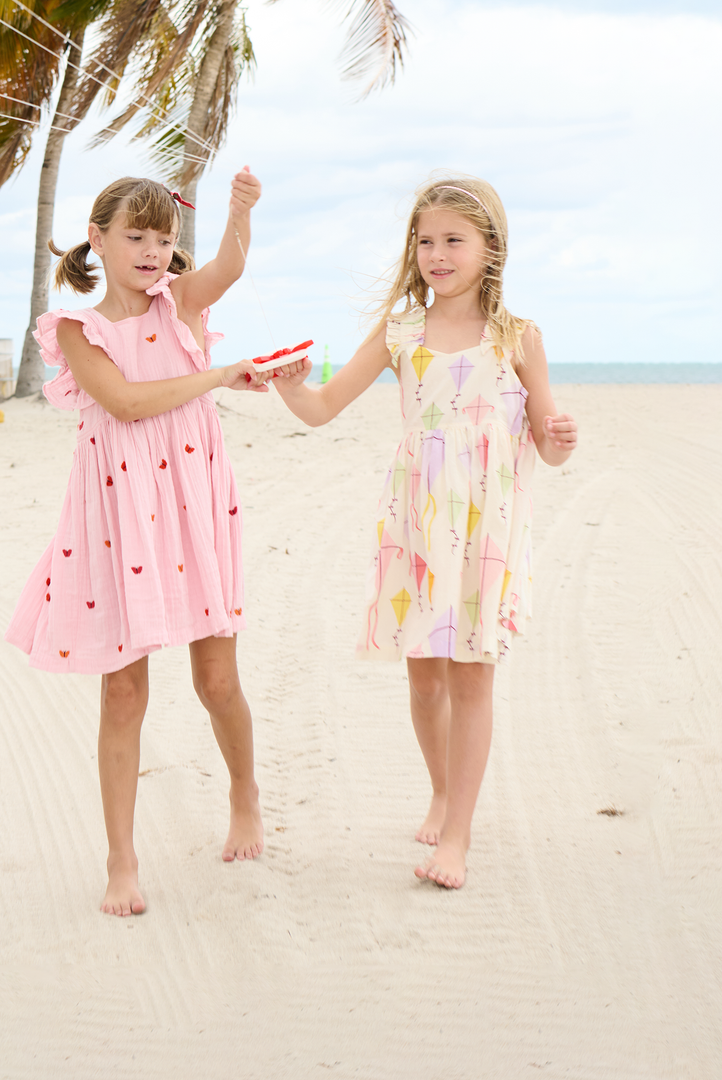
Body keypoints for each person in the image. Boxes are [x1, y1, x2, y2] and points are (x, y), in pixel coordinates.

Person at [271, 176, 578, 889]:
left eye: (453, 240)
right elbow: (322, 407)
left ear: (490, 247)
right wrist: (289, 385)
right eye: (426, 239)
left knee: (472, 678)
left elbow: (550, 446)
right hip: (417, 524)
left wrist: (562, 438)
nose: (436, 254)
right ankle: (441, 788)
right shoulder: (399, 332)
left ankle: (459, 838)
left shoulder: (517, 337)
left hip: (485, 528)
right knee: (424, 681)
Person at [5, 170, 273, 916]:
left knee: (217, 680)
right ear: (99, 239)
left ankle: (245, 792)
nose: (154, 251)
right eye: (136, 236)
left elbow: (230, 266)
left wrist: (240, 213)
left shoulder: (180, 303)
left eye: (165, 238)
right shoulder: (73, 327)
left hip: (192, 502)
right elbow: (122, 403)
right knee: (123, 692)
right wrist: (220, 374)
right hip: (119, 514)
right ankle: (121, 861)